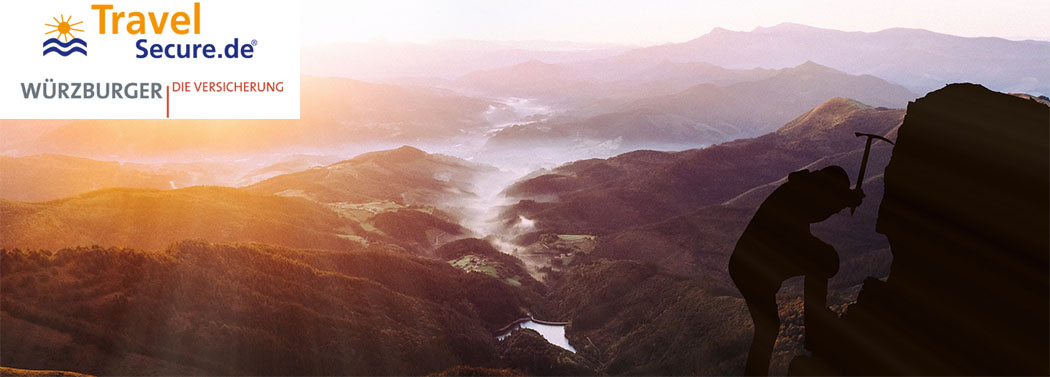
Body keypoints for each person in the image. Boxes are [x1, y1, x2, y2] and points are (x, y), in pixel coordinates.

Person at [728, 166, 863, 376]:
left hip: (750, 265)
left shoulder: (799, 190)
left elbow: (816, 207)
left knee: (768, 328)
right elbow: (816, 209)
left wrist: (844, 200)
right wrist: (844, 200)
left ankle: (813, 333)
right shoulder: (799, 198)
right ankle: (815, 333)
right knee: (824, 261)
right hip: (753, 267)